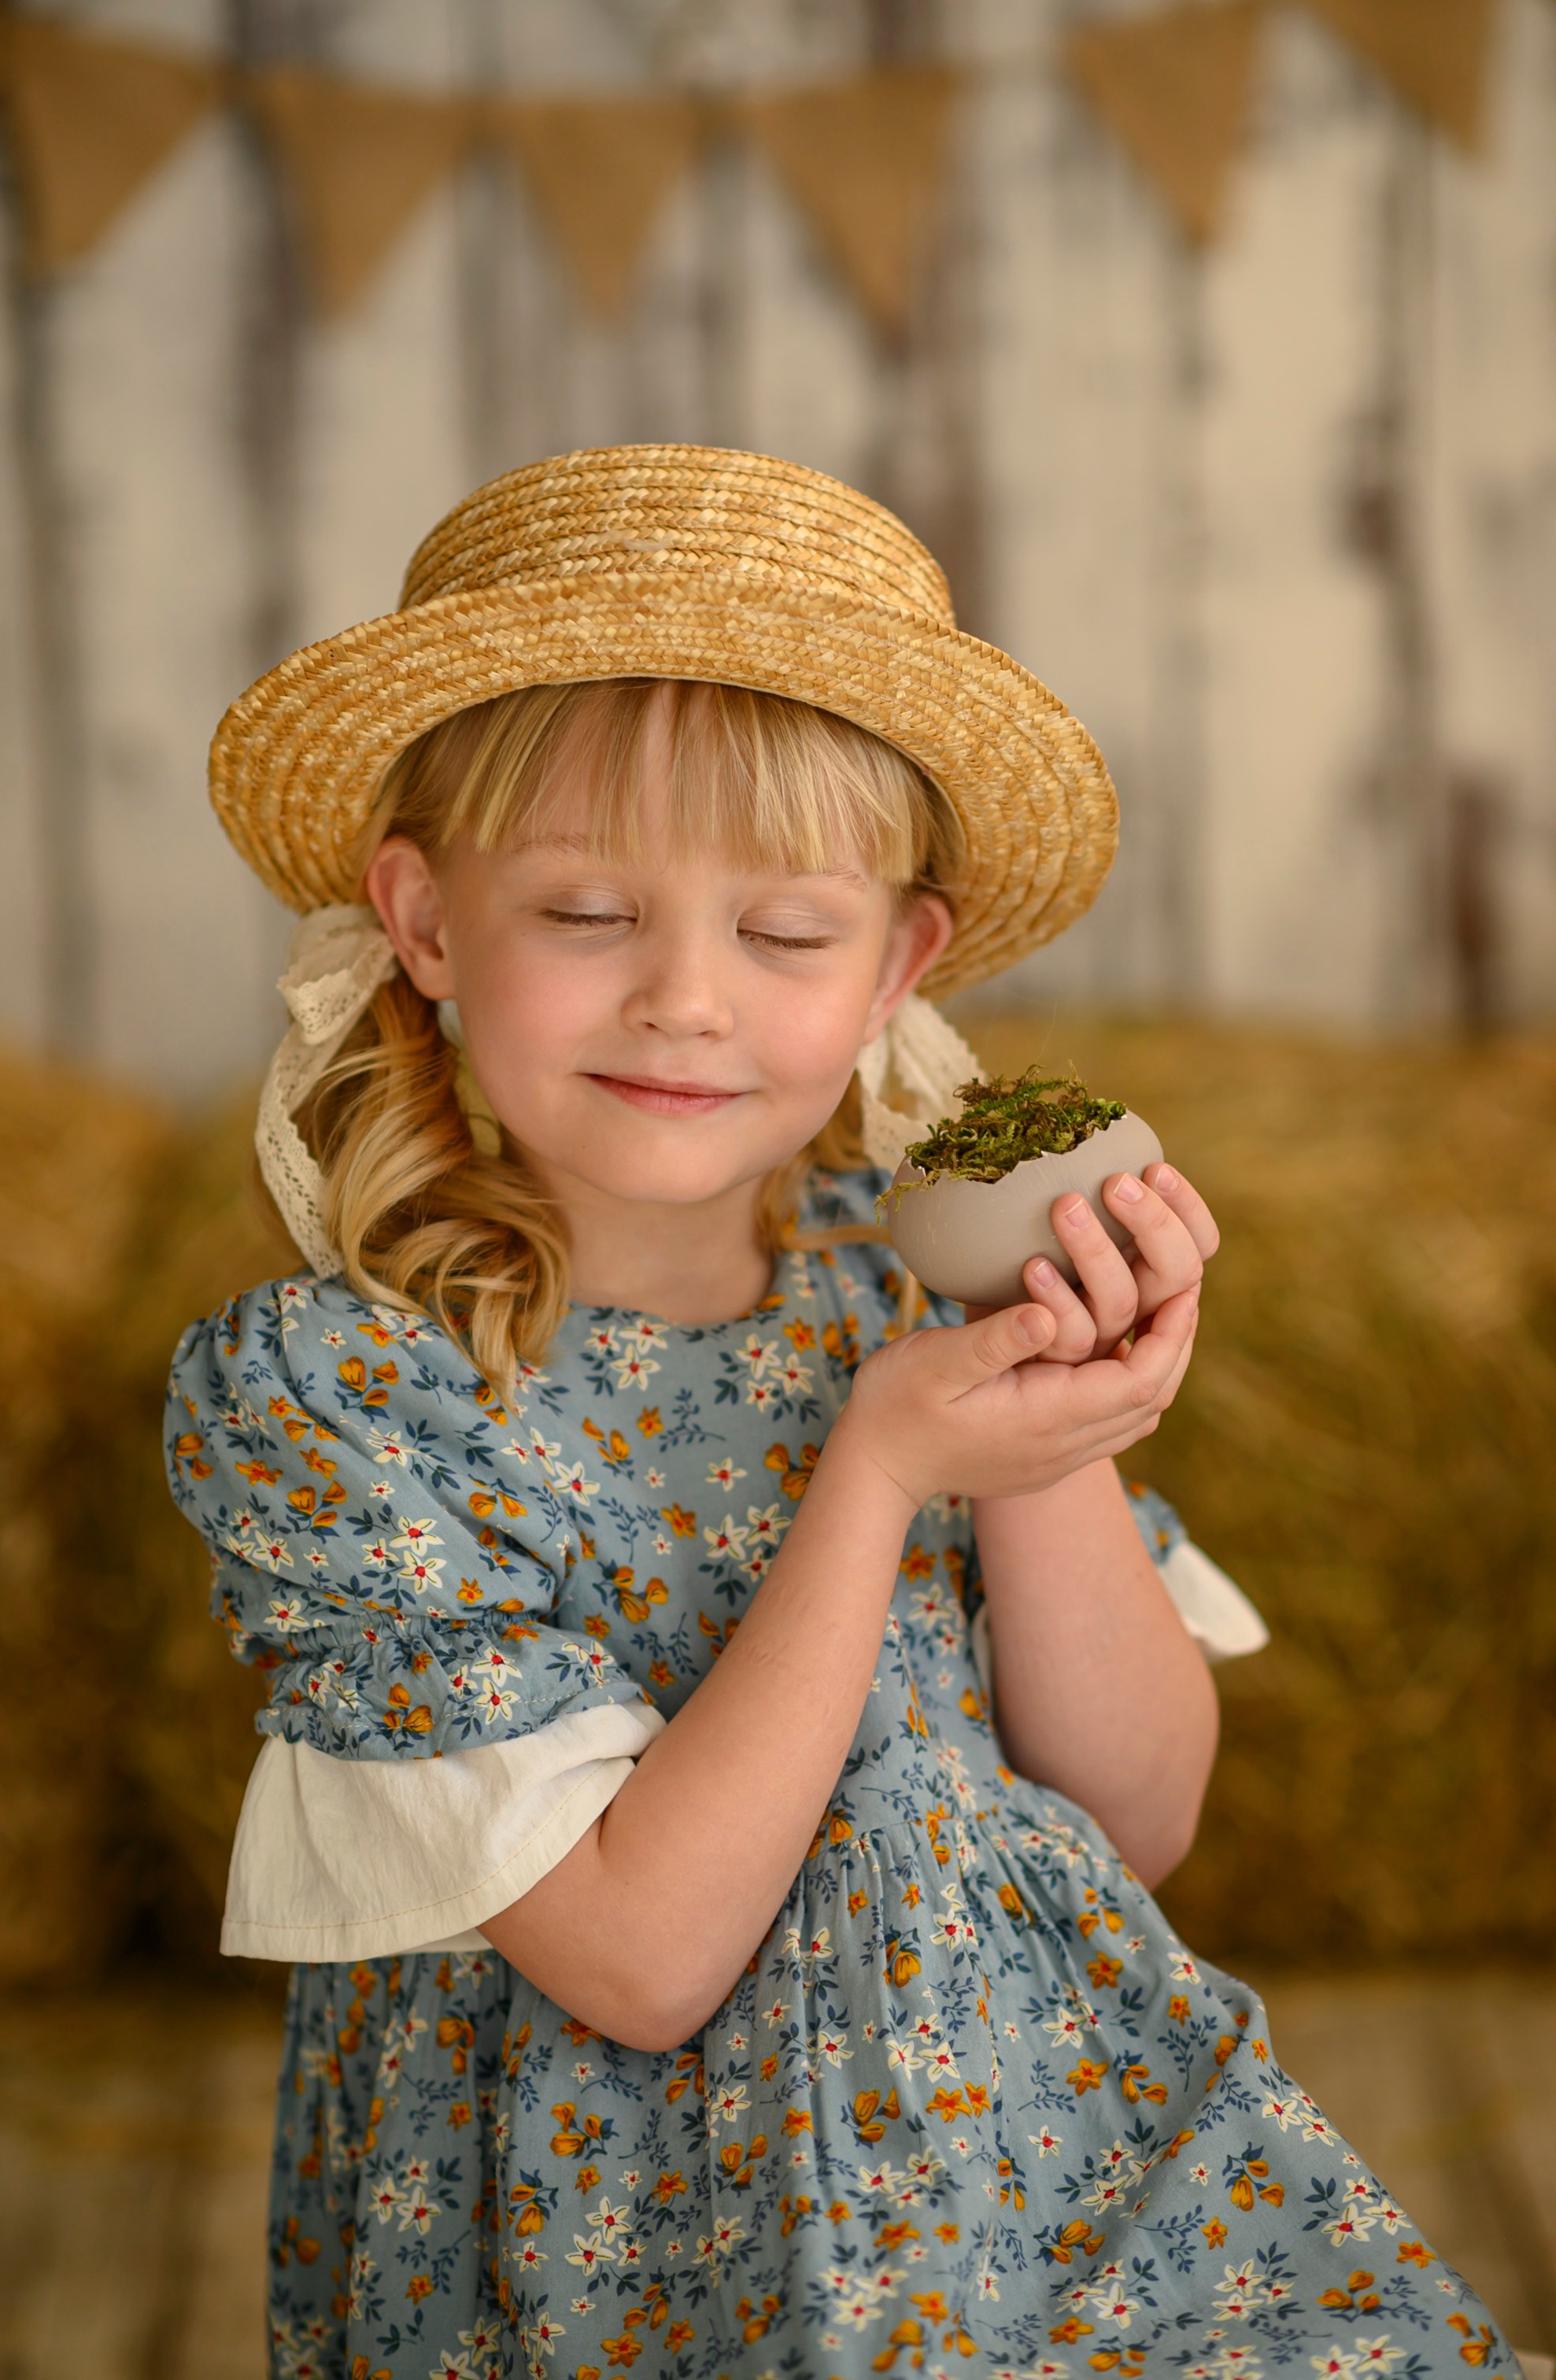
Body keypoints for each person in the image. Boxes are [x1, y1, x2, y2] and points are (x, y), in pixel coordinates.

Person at [164, 447, 1508, 2380]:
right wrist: (878, 1473)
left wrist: (1054, 1431)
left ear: (898, 965)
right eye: (589, 913)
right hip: (621, 2267)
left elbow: (1137, 1816)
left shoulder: (913, 1291)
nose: (690, 1003)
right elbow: (636, 1964)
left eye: (786, 935)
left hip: (1037, 2187)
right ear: (427, 921)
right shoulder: (346, 1400)